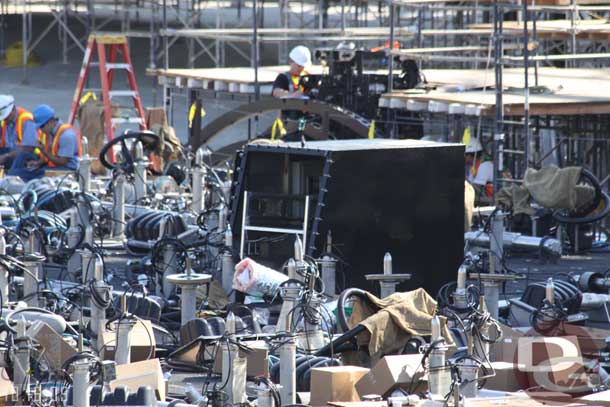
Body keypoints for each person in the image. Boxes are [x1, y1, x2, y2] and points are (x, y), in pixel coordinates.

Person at [8, 104, 81, 181]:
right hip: (52, 166)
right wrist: (38, 162)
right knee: (16, 172)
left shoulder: (66, 135)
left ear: (50, 121)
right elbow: (52, 154)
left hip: (65, 170)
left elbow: (62, 162)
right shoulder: (50, 133)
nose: (41, 130)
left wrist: (44, 151)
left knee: (24, 177)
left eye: (41, 127)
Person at [0, 94, 42, 169]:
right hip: (13, 152)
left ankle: (12, 176)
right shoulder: (5, 121)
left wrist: (6, 156)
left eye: (6, 117)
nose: (4, 120)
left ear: (13, 110)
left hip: (32, 155)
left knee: (20, 156)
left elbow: (28, 148)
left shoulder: (27, 120)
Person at [464, 136, 494, 201]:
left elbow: (476, 187)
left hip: (490, 200)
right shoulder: (474, 165)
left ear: (469, 155)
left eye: (464, 154)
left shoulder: (484, 165)